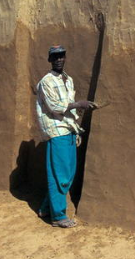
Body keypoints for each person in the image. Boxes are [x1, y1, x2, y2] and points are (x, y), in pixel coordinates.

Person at [35, 45, 96, 228]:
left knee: (67, 173)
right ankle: (58, 216)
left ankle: (47, 208)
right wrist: (79, 104)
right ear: (50, 60)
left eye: (62, 56)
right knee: (59, 174)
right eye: (55, 57)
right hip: (56, 130)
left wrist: (76, 127)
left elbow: (69, 105)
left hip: (68, 129)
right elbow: (55, 107)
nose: (59, 59)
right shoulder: (46, 82)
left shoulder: (68, 80)